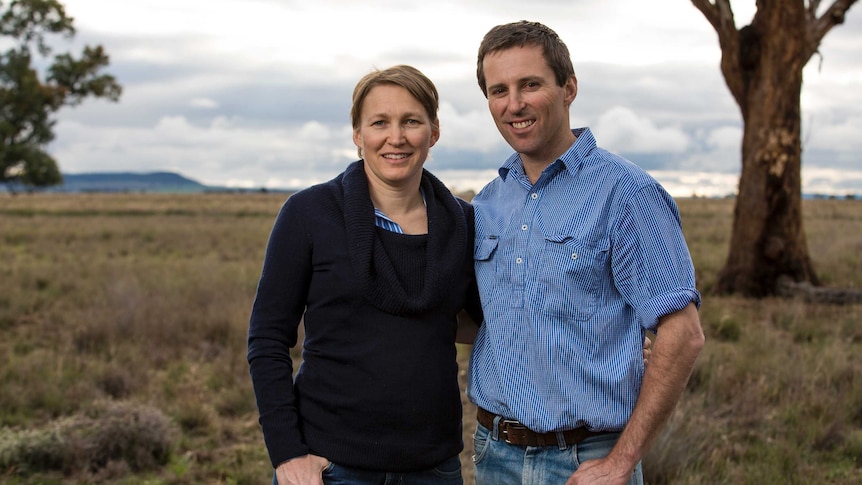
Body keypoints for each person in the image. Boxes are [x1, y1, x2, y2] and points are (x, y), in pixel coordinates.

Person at [467, 20, 705, 485]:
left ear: (568, 88)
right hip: (494, 454)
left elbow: (683, 334)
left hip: (586, 461)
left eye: (530, 85)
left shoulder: (626, 192)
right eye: (499, 90)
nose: (513, 104)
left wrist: (619, 463)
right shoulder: (488, 203)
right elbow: (482, 320)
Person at [247, 64, 482, 485]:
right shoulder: (309, 214)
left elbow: (491, 321)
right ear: (358, 135)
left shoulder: (462, 224)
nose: (396, 137)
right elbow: (267, 339)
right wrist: (287, 455)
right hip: (331, 466)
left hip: (434, 466)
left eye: (411, 121)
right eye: (379, 123)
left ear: (434, 131)